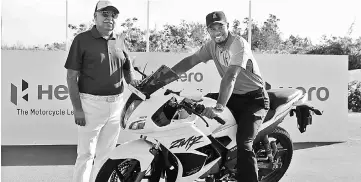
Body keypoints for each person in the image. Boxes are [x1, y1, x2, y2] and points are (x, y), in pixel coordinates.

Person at [171, 11, 270, 182]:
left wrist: (219, 107)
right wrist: (164, 78)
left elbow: (230, 76)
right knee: (194, 106)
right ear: (208, 30)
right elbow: (190, 61)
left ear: (228, 26)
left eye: (220, 27)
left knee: (244, 144)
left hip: (254, 100)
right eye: (212, 28)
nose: (217, 32)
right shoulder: (211, 46)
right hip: (234, 96)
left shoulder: (238, 44)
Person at [64, 1, 138, 181]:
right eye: (104, 14)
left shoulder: (119, 39)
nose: (109, 18)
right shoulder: (82, 40)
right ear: (95, 16)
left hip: (116, 105)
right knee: (86, 155)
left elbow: (128, 72)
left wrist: (139, 86)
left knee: (106, 156)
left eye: (113, 15)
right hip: (90, 104)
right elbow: (71, 77)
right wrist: (78, 109)